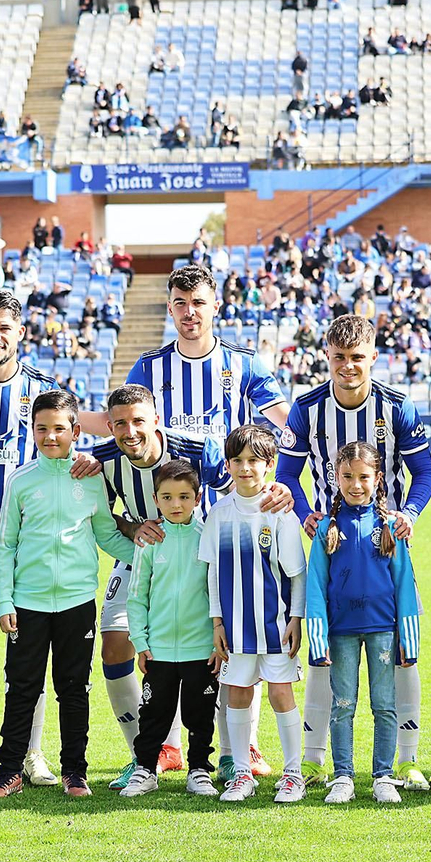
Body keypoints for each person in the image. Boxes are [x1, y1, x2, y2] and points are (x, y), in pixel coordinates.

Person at [0, 290, 105, 787]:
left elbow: (79, 429)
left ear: (19, 332)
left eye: (4, 327)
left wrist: (97, 456)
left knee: (32, 660)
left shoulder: (44, 389)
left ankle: (32, 756)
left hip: (27, 540)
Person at [127, 264, 291, 777]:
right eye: (179, 302)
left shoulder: (242, 365)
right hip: (164, 527)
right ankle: (166, 746)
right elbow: (126, 427)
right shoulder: (150, 368)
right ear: (170, 307)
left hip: (230, 524)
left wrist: (280, 479)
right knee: (156, 628)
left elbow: (287, 427)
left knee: (238, 630)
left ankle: (243, 749)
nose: (189, 312)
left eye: (198, 302)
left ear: (214, 304)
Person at [276, 314, 431, 789]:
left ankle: (405, 759)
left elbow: (424, 473)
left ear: (373, 358)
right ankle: (315, 758)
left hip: (386, 543)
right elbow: (287, 474)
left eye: (357, 357)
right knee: (330, 649)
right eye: (340, 357)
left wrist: (407, 513)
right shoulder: (307, 408)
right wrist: (307, 514)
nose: (348, 366)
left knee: (399, 650)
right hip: (333, 538)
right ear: (327, 356)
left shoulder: (398, 406)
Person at [89, 384, 259, 788]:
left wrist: (275, 491)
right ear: (110, 427)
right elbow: (100, 517)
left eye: (138, 422)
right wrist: (135, 534)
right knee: (114, 646)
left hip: (199, 557)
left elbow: (242, 486)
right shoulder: (102, 461)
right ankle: (147, 755)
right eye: (119, 425)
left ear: (156, 420)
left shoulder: (197, 450)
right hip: (143, 556)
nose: (130, 432)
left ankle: (234, 752)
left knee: (224, 647)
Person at [0, 390, 135, 799]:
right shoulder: (21, 480)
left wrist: (150, 552)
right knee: (21, 688)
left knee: (74, 689)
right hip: (27, 605)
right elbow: (5, 545)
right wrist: (6, 602)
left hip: (77, 602)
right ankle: (8, 772)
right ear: (32, 431)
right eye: (42, 429)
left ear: (75, 430)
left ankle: (75, 772)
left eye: (59, 429)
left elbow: (106, 534)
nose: (51, 437)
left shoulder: (90, 479)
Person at [304, 442, 422, 805]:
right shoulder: (326, 528)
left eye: (364, 477)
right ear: (335, 478)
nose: (356, 485)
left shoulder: (391, 526)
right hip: (340, 632)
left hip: (384, 631)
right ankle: (343, 776)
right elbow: (315, 586)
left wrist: (409, 638)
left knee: (385, 705)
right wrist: (318, 639)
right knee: (342, 705)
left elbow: (404, 583)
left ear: (378, 479)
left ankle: (383, 776)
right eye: (348, 477)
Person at [202, 425, 308, 803]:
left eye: (254, 461)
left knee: (281, 694)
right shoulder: (219, 514)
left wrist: (296, 618)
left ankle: (293, 773)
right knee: (238, 693)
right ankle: (241, 772)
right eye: (238, 461)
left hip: (275, 625)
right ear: (228, 465)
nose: (245, 468)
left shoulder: (281, 514)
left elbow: (297, 575)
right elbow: (213, 572)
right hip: (235, 628)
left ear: (270, 464)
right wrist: (217, 621)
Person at [115, 460, 220, 798]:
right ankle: (145, 769)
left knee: (199, 715)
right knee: (154, 713)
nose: (177, 505)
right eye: (168, 497)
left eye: (185, 497)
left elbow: (216, 593)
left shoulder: (206, 539)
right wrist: (141, 642)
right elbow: (136, 597)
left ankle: (200, 770)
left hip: (200, 649)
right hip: (158, 649)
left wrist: (217, 642)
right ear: (156, 499)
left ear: (198, 497)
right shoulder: (149, 542)